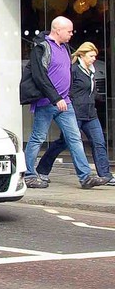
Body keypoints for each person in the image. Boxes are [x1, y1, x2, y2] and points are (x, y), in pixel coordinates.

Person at [21, 17, 107, 189]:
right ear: (57, 30)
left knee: (74, 138)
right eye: (69, 31)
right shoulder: (42, 48)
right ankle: (29, 175)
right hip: (47, 102)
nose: (71, 34)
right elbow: (39, 76)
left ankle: (85, 177)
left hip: (64, 102)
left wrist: (66, 97)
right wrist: (56, 98)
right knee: (38, 138)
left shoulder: (65, 47)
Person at [34, 41, 113, 186]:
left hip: (91, 113)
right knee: (63, 142)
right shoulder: (74, 70)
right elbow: (67, 89)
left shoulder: (91, 71)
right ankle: (42, 170)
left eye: (95, 56)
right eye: (91, 56)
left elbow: (91, 91)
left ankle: (105, 175)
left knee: (99, 142)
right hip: (75, 112)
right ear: (82, 55)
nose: (94, 59)